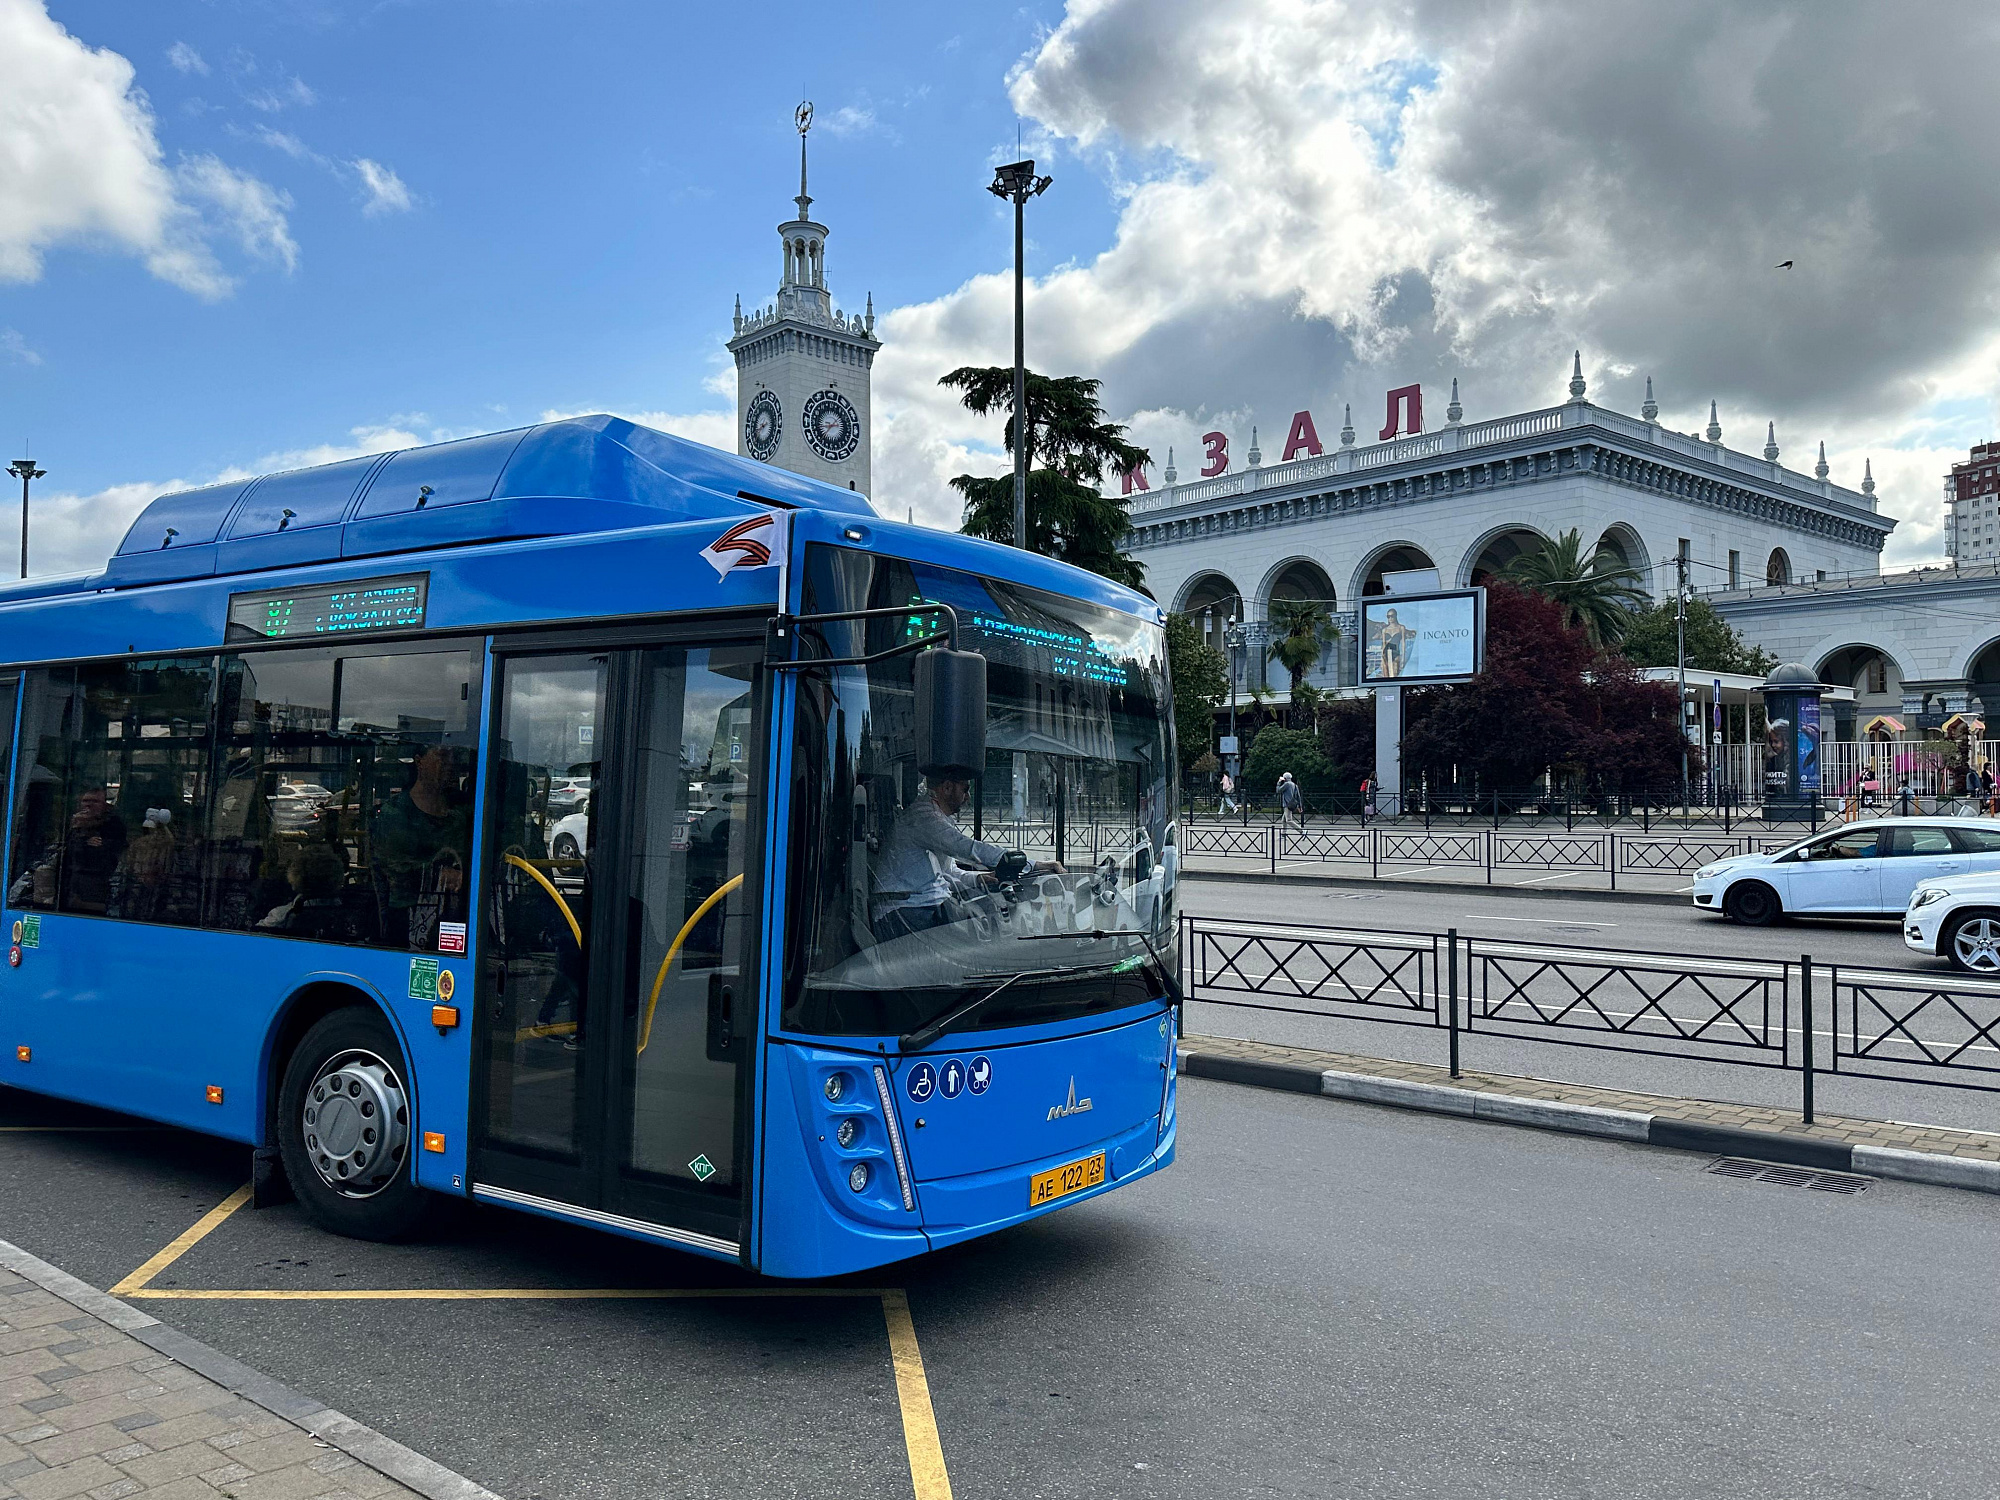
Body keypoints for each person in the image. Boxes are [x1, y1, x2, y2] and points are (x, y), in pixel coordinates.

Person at [870, 767, 1061, 942]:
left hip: (926, 905)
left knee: (986, 920)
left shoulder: (937, 819)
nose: (968, 797)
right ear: (946, 788)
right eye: (965, 789)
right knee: (978, 938)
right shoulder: (923, 817)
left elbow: (949, 873)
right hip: (905, 911)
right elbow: (969, 849)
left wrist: (981, 879)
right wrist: (1030, 864)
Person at [371, 744, 471, 949]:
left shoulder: (459, 817)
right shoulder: (396, 813)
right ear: (419, 762)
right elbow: (396, 870)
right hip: (407, 919)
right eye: (442, 756)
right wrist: (441, 875)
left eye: (453, 758)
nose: (449, 764)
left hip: (456, 917)